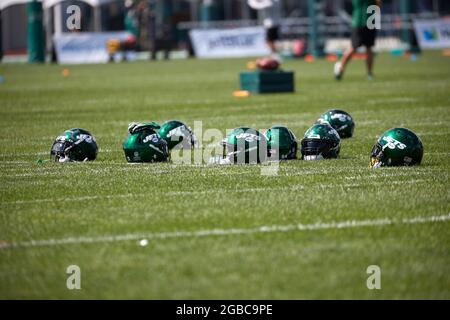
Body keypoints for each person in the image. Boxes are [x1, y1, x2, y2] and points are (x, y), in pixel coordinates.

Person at [334, 0, 382, 80]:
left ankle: (369, 73)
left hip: (370, 21)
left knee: (369, 47)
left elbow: (378, 4)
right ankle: (341, 68)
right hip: (358, 22)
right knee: (354, 47)